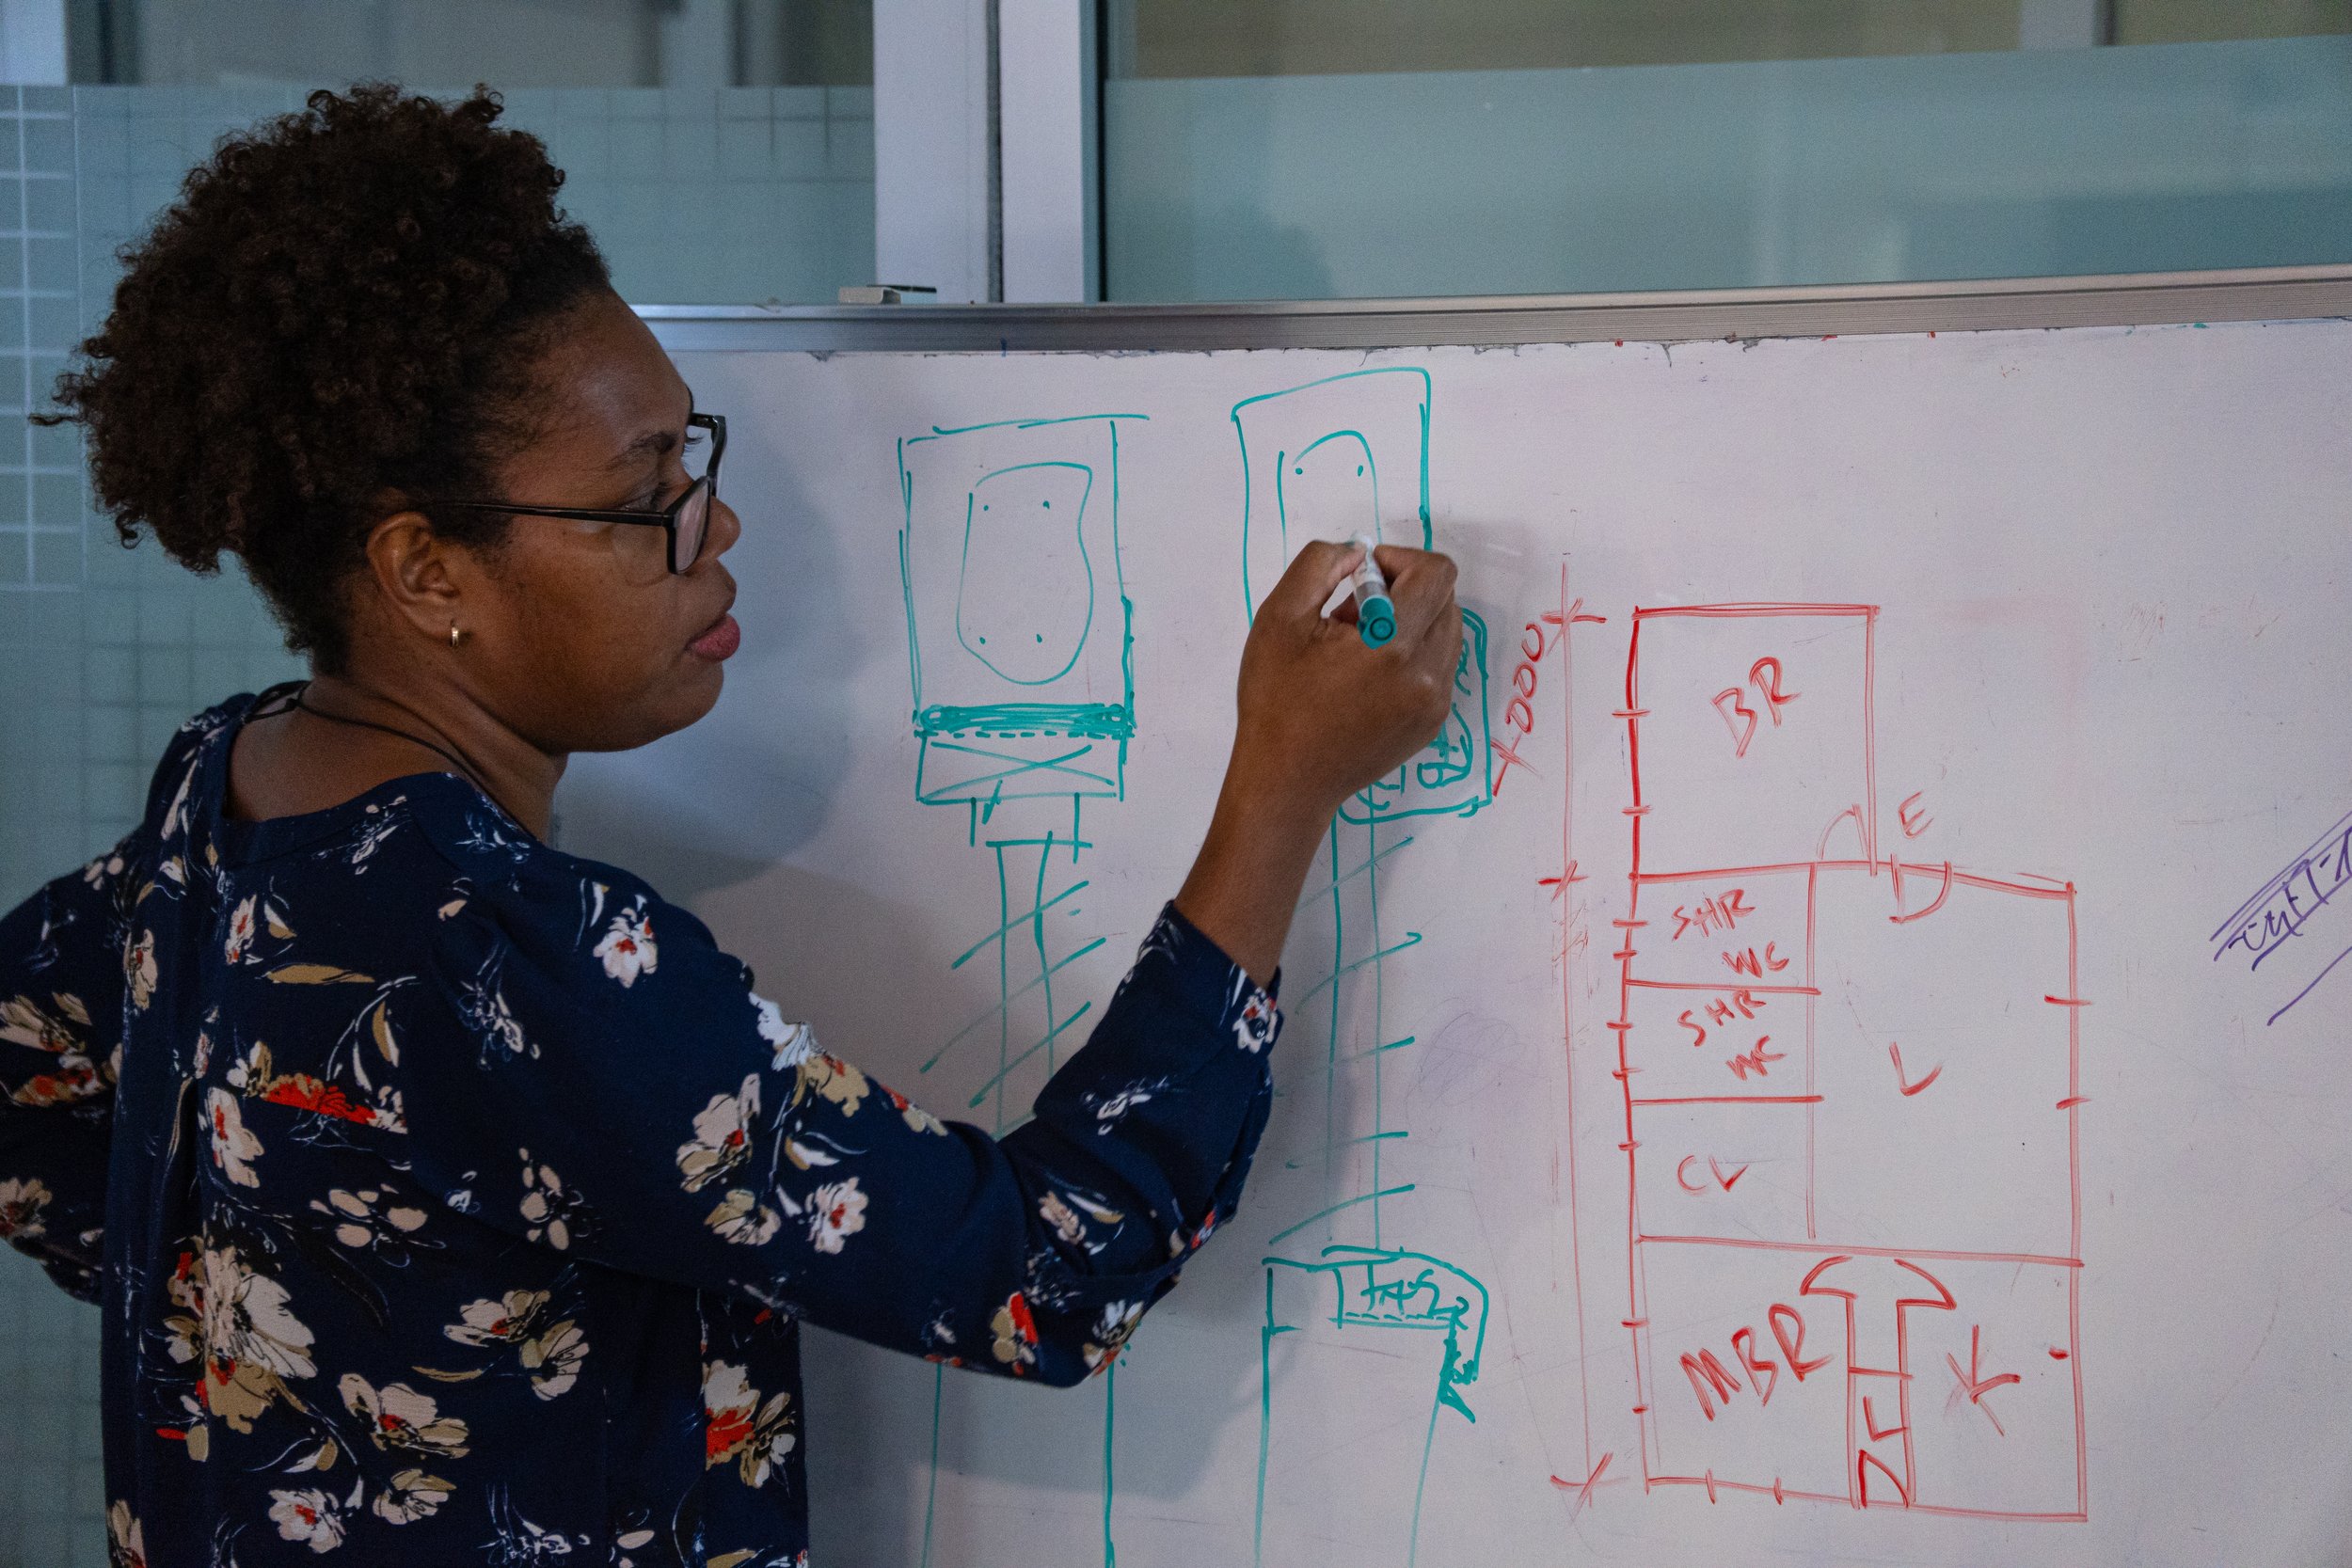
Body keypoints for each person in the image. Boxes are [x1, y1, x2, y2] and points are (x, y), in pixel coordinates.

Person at [0, 86, 1461, 1565]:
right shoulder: (530, 962)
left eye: (693, 462)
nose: (717, 530)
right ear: (427, 572)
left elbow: (22, 1087)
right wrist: (1281, 785)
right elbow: (1047, 1271)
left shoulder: (216, 805)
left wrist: (258, 1312)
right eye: (648, 498)